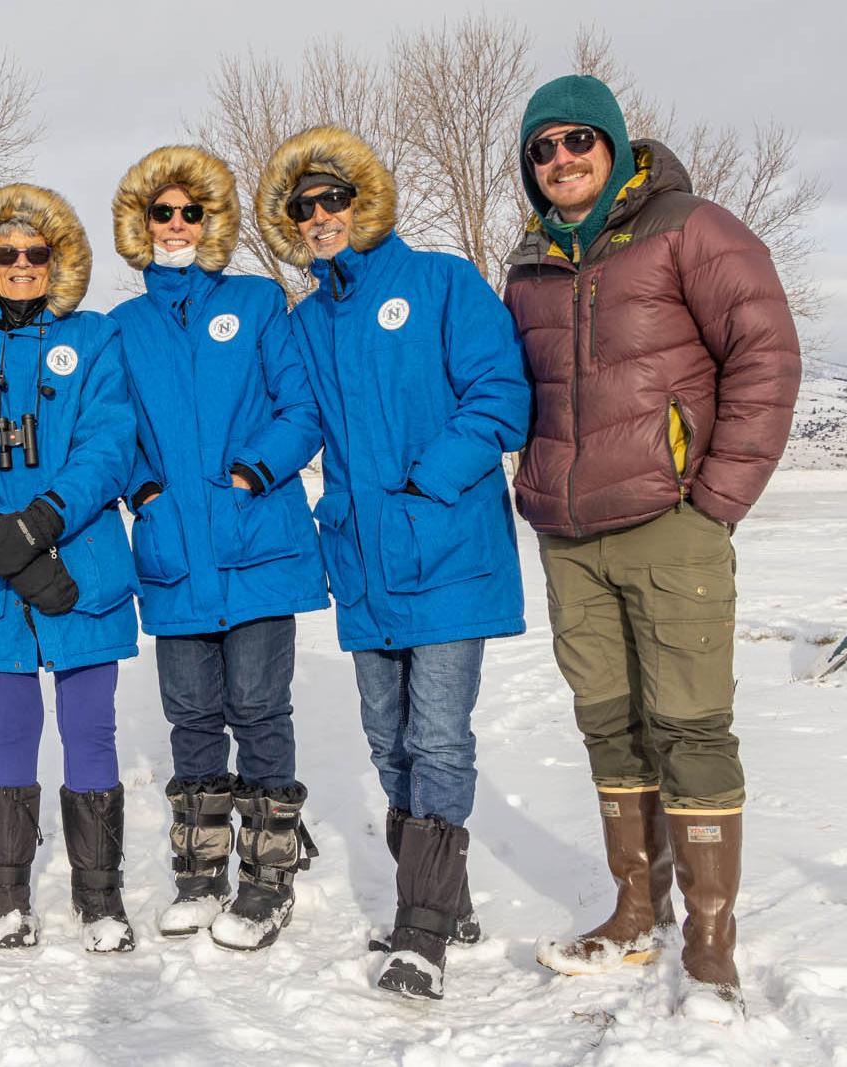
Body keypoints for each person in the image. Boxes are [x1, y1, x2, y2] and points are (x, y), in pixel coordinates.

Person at [506, 75, 800, 1018]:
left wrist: (714, 497)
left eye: (577, 139)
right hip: (571, 535)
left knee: (691, 726)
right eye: (542, 148)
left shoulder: (691, 227)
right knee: (609, 723)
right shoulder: (530, 260)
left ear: (616, 142)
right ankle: (638, 907)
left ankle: (711, 938)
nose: (561, 159)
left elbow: (765, 352)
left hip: (672, 524)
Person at [257, 126, 531, 999]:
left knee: (439, 737)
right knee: (389, 740)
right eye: (304, 207)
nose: (320, 216)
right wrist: (243, 470)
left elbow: (502, 394)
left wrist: (431, 478)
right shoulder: (305, 321)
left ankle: (420, 933)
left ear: (363, 201)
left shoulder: (441, 281)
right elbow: (292, 414)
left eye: (333, 198)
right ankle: (443, 896)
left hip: (448, 551)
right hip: (365, 562)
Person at [0, 183, 140, 952]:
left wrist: (44, 516)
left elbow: (110, 440)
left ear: (57, 260)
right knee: (12, 720)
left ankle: (99, 896)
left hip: (82, 560)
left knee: (89, 726)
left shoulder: (97, 337)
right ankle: (5, 894)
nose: (19, 264)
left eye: (35, 253)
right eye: (4, 253)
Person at [107, 145, 326, 950]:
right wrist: (145, 488)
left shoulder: (259, 302)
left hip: (257, 538)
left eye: (189, 212)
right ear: (141, 225)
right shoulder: (121, 326)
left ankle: (267, 880)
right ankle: (199, 875)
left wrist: (248, 472)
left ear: (212, 222)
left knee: (260, 709)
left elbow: (300, 407)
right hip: (171, 549)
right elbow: (111, 425)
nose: (175, 225)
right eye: (161, 213)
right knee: (193, 713)